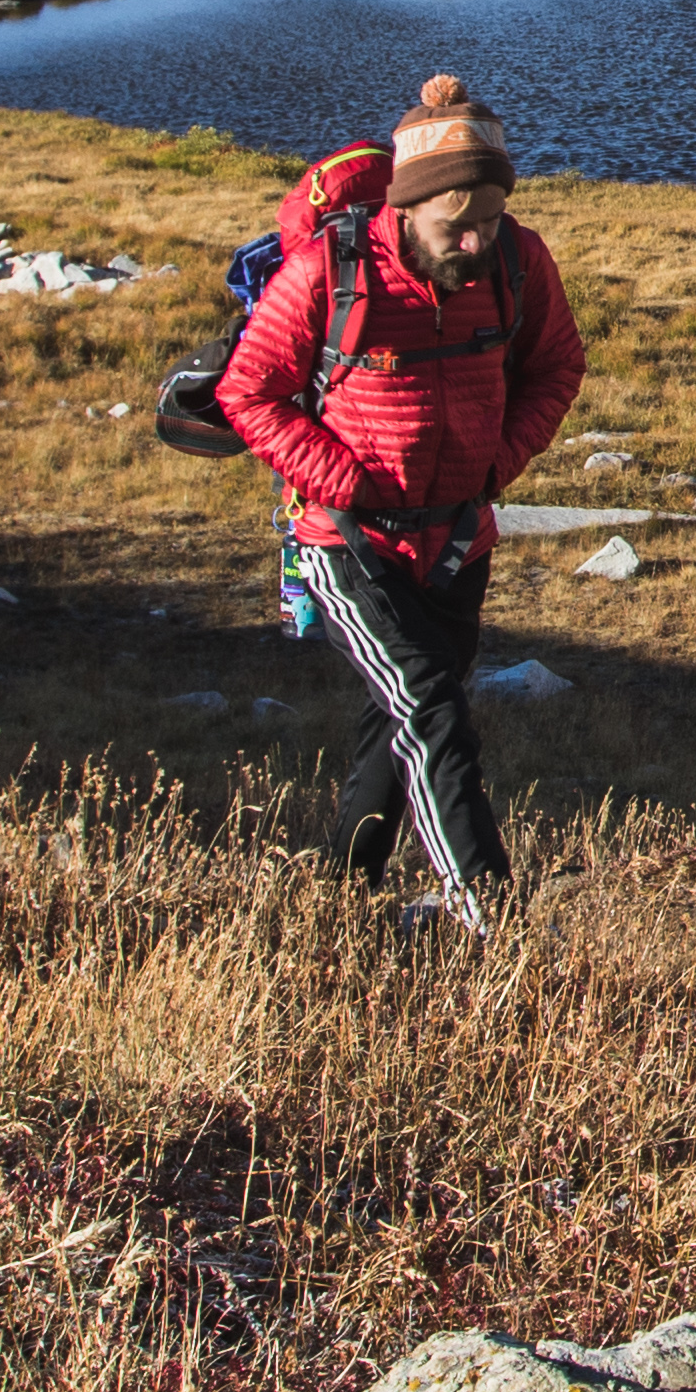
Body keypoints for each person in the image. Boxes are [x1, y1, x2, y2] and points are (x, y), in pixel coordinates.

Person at [214, 73, 587, 929]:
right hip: (349, 542)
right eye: (455, 226)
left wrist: (498, 462)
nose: (473, 241)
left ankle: (339, 888)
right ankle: (491, 917)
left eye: (488, 221)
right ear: (404, 209)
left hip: (458, 539)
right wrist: (341, 482)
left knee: (405, 714)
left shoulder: (517, 261)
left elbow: (558, 366)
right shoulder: (330, 271)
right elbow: (249, 392)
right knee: (431, 706)